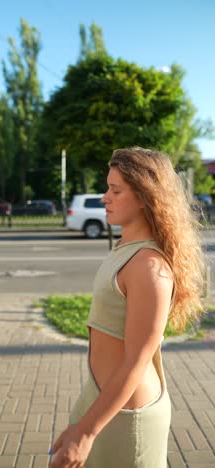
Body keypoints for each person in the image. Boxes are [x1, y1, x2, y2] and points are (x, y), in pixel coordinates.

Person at [49, 147, 205, 468]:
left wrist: (85, 433)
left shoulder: (149, 266)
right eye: (108, 187)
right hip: (104, 399)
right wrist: (85, 416)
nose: (105, 197)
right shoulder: (126, 248)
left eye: (115, 190)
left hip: (129, 416)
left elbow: (136, 361)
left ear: (146, 196)